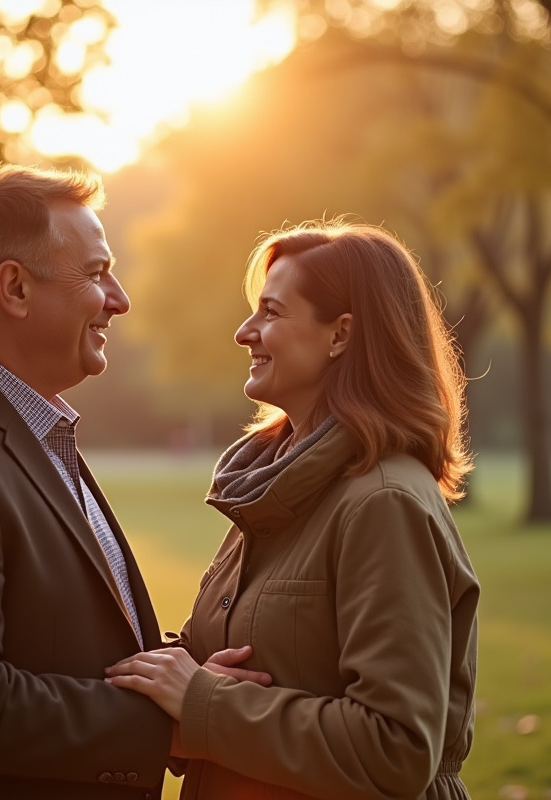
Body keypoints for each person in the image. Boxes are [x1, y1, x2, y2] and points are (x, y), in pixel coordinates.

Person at [0, 161, 263, 800]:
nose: (119, 298)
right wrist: (168, 724)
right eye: (96, 273)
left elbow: (68, 641)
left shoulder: (23, 430)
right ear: (14, 288)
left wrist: (192, 680)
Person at [107, 219, 480, 800]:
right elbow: (223, 666)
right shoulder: (276, 488)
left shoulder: (383, 503)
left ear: (340, 335)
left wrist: (203, 703)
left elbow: (396, 749)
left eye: (272, 313)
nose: (243, 332)